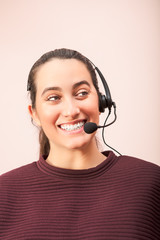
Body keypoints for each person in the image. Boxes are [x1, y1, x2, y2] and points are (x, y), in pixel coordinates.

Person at [0, 48, 160, 240]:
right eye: (53, 97)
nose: (71, 110)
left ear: (102, 102)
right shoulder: (4, 193)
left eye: (82, 93)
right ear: (34, 114)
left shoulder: (151, 182)